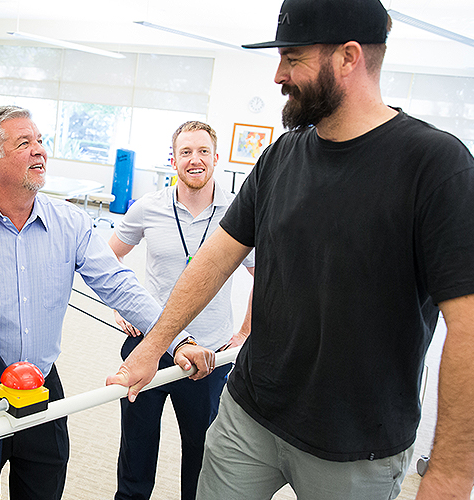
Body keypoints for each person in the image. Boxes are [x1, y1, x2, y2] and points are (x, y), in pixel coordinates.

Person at [107, 0, 474, 498]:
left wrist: (452, 476)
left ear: (348, 58)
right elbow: (217, 257)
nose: (278, 74)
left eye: (293, 57)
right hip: (249, 413)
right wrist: (153, 347)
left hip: (355, 444)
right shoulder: (283, 154)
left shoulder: (435, 165)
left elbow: (469, 327)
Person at [0, 105, 214, 500]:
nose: (39, 151)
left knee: (43, 487)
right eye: (24, 143)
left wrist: (178, 340)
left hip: (41, 385)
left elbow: (120, 285)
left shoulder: (69, 223)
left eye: (40, 141)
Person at [108, 120, 254, 500]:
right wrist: (123, 304)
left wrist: (244, 333)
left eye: (203, 151)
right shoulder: (148, 208)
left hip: (209, 356)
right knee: (136, 454)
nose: (195, 159)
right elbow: (107, 258)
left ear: (216, 158)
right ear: (173, 160)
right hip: (149, 347)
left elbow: (265, 274)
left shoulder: (239, 211)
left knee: (202, 458)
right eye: (186, 152)